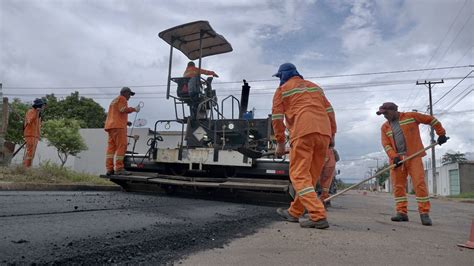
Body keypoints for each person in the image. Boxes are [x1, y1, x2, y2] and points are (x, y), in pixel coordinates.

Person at [272, 63, 337, 229]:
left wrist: (280, 143)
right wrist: (332, 135)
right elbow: (330, 111)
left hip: (303, 131)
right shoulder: (315, 87)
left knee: (299, 175)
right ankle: (294, 212)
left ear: (282, 76)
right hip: (323, 133)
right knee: (310, 176)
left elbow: (277, 118)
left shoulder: (282, 90)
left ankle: (318, 215)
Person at [377, 102, 447, 226]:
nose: (385, 116)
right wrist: (394, 157)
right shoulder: (385, 127)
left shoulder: (411, 116)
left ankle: (424, 214)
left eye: (386, 113)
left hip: (414, 156)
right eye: (383, 114)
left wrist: (441, 134)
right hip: (397, 160)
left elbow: (431, 120)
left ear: (394, 110)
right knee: (398, 186)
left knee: (419, 184)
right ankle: (401, 213)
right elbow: (386, 144)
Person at [104, 87, 140, 176]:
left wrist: (126, 122)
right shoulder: (122, 98)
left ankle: (109, 169)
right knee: (122, 146)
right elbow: (123, 109)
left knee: (111, 149)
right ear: (125, 93)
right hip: (118, 127)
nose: (129, 97)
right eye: (129, 94)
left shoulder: (114, 101)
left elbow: (115, 114)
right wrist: (134, 109)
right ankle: (119, 168)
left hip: (111, 127)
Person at [23, 98, 45, 167]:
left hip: (35, 135)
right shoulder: (31, 111)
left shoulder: (39, 114)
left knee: (32, 153)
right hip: (30, 134)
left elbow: (38, 125)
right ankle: (25, 167)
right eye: (42, 106)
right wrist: (36, 113)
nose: (43, 107)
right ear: (39, 106)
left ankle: (28, 167)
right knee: (30, 152)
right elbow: (29, 121)